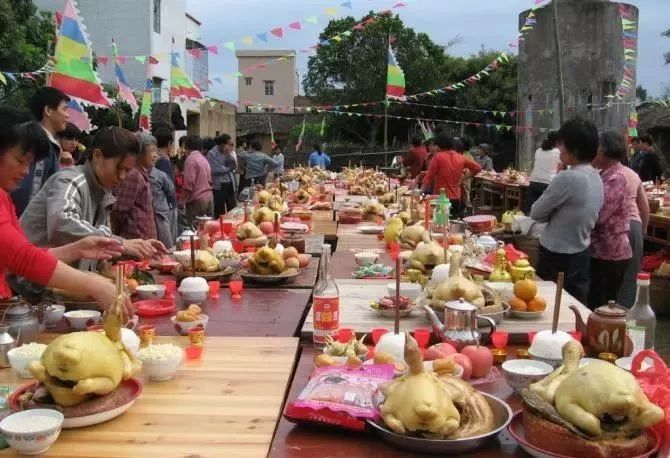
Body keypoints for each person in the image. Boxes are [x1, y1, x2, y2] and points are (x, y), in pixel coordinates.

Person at [0, 109, 133, 318]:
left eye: (29, 163)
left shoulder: (4, 199)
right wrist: (92, 284)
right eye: (20, 160)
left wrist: (76, 249)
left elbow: (18, 257)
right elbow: (23, 259)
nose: (26, 171)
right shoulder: (71, 180)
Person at [20, 126, 165, 272]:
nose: (122, 177)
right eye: (119, 168)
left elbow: (94, 244)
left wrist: (135, 247)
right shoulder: (71, 180)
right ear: (97, 156)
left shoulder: (104, 192)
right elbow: (61, 222)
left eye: (127, 171)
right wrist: (121, 243)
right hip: (29, 283)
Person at [530, 118, 603, 305]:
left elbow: (536, 213)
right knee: (575, 309)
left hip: (557, 256)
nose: (559, 148)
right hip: (582, 252)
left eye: (562, 144)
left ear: (574, 149)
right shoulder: (597, 177)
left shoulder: (568, 178)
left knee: (550, 309)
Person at [588, 131, 633, 309]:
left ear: (606, 151)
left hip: (610, 253)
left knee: (602, 306)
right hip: (600, 251)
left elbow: (600, 215)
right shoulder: (605, 174)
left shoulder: (617, 178)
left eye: (598, 148)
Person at [11, 87, 69, 216]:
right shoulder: (39, 143)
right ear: (48, 110)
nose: (67, 115)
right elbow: (29, 191)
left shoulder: (48, 143)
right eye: (64, 109)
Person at [111, 133, 158, 241]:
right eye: (151, 151)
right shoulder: (133, 175)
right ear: (139, 153)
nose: (155, 155)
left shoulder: (141, 173)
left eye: (156, 151)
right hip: (134, 238)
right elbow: (120, 209)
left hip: (143, 238)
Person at [421, 133, 482, 217]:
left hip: (441, 199)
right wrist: (463, 178)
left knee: (440, 225)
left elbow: (428, 178)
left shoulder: (438, 157)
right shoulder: (461, 157)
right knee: (453, 226)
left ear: (439, 145)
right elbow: (478, 168)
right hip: (456, 199)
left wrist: (420, 194)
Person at [525, 131, 562, 213]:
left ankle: (526, 224)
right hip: (547, 184)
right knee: (543, 213)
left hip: (534, 182)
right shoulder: (558, 153)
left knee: (530, 211)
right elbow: (562, 168)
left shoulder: (538, 151)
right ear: (557, 142)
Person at [153, 126, 178, 241]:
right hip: (168, 206)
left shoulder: (155, 158)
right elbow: (169, 187)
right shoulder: (163, 161)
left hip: (160, 206)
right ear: (169, 143)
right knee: (170, 239)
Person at [183, 135, 213, 226]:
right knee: (207, 230)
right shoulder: (204, 159)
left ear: (187, 147)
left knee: (195, 230)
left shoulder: (190, 159)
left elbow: (189, 183)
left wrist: (182, 201)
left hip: (196, 200)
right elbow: (210, 180)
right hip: (209, 198)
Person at [207, 134, 237, 216]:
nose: (229, 146)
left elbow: (234, 166)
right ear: (221, 144)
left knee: (233, 209)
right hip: (218, 185)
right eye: (228, 144)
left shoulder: (228, 152)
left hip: (229, 183)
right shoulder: (212, 153)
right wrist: (227, 169)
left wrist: (228, 155)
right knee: (219, 211)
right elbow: (215, 169)